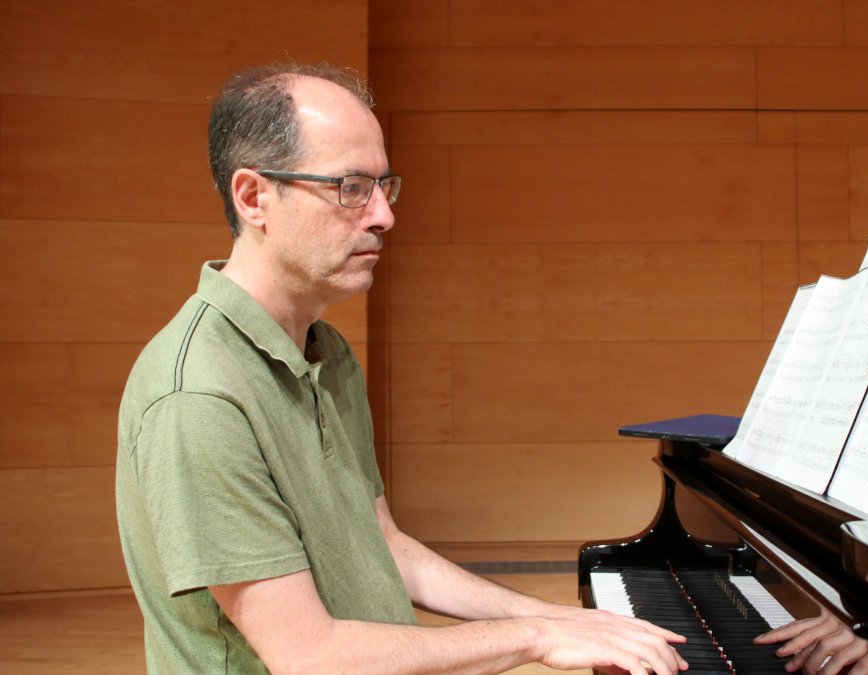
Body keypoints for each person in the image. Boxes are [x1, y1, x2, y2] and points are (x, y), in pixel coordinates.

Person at [115, 62, 688, 675]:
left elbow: (387, 549)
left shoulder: (325, 350)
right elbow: (310, 658)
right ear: (255, 197)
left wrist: (557, 618)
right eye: (351, 187)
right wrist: (535, 640)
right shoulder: (200, 397)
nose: (384, 216)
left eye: (384, 186)